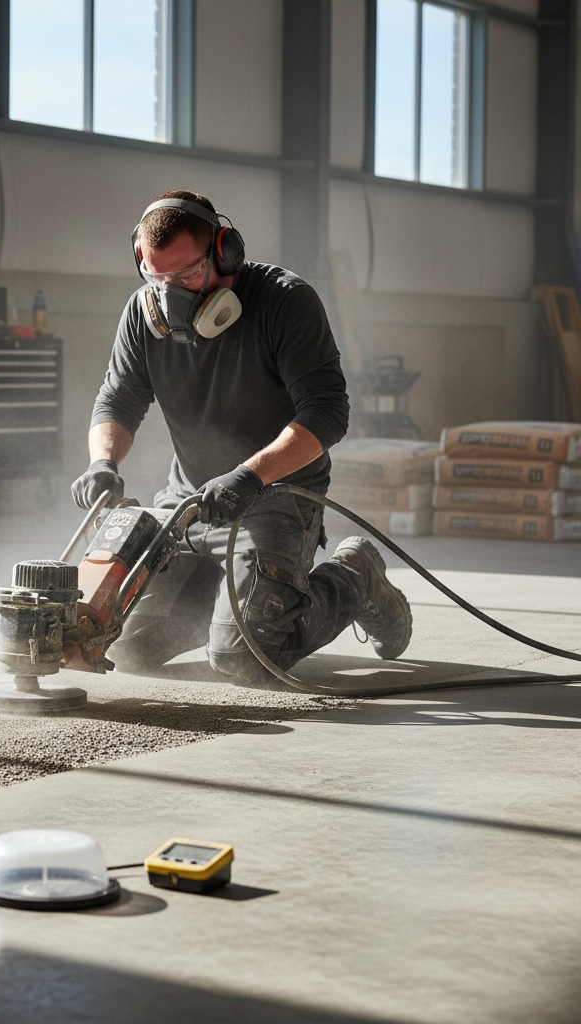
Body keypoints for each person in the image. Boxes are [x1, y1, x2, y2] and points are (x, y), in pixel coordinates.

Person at [70, 190, 412, 688]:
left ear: (225, 252)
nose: (170, 296)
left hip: (274, 499)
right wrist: (103, 462)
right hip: (189, 504)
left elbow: (327, 413)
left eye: (186, 277)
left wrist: (251, 475)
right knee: (123, 646)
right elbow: (117, 402)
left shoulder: (286, 302)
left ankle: (354, 577)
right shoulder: (143, 317)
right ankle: (227, 596)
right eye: (156, 277)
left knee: (246, 658)